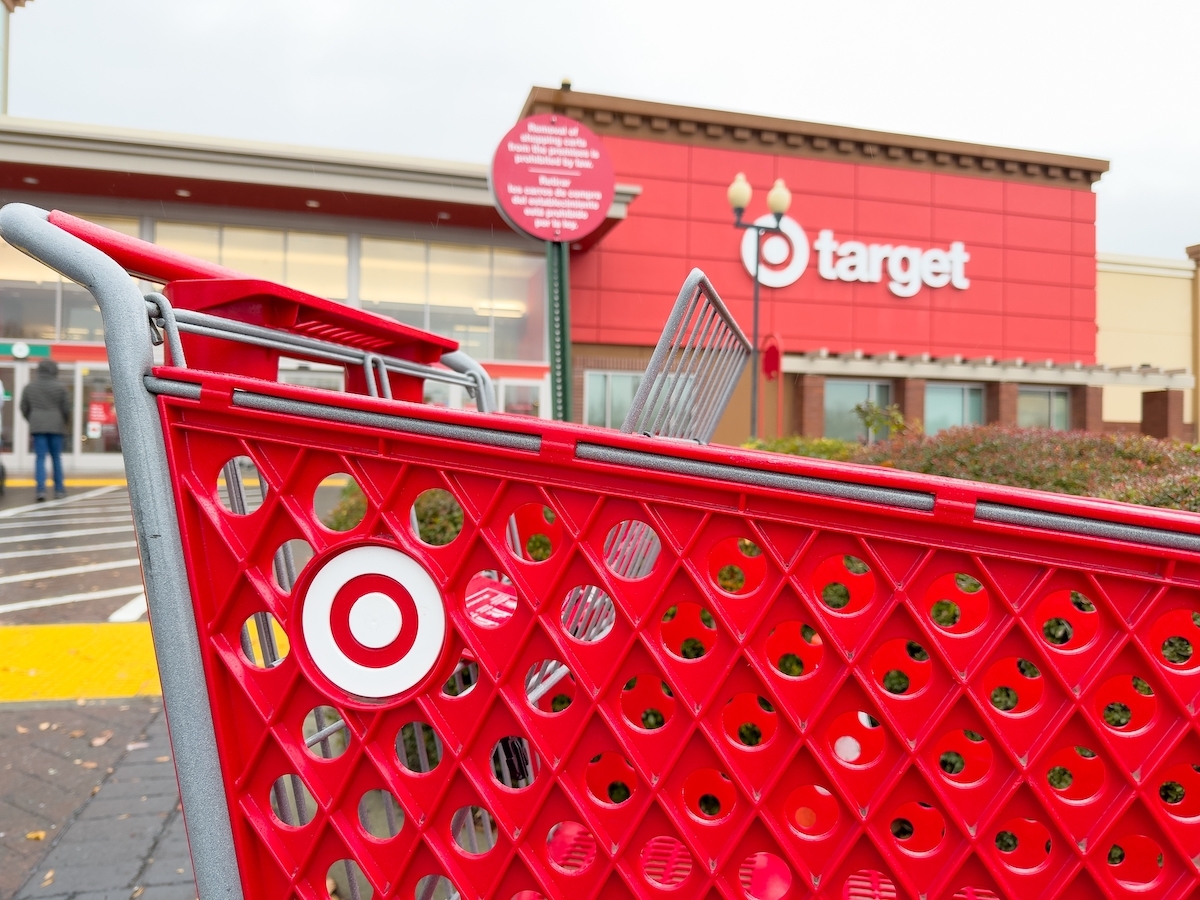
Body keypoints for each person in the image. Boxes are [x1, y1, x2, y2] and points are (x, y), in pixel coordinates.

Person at [20, 359, 69, 501]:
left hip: (38, 426)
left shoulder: (30, 387)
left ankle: (40, 490)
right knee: (56, 458)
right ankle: (59, 489)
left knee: (40, 458)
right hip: (56, 426)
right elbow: (66, 408)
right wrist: (63, 421)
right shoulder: (60, 388)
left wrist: (32, 419)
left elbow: (23, 407)